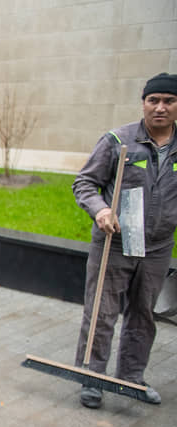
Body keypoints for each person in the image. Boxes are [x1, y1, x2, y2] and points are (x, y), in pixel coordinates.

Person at [73, 72, 177, 409]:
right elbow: (85, 183)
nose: (160, 107)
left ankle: (131, 378)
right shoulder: (118, 141)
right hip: (114, 242)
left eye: (169, 101)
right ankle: (92, 378)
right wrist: (101, 210)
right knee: (101, 313)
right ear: (144, 103)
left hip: (158, 247)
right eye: (153, 100)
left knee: (144, 313)